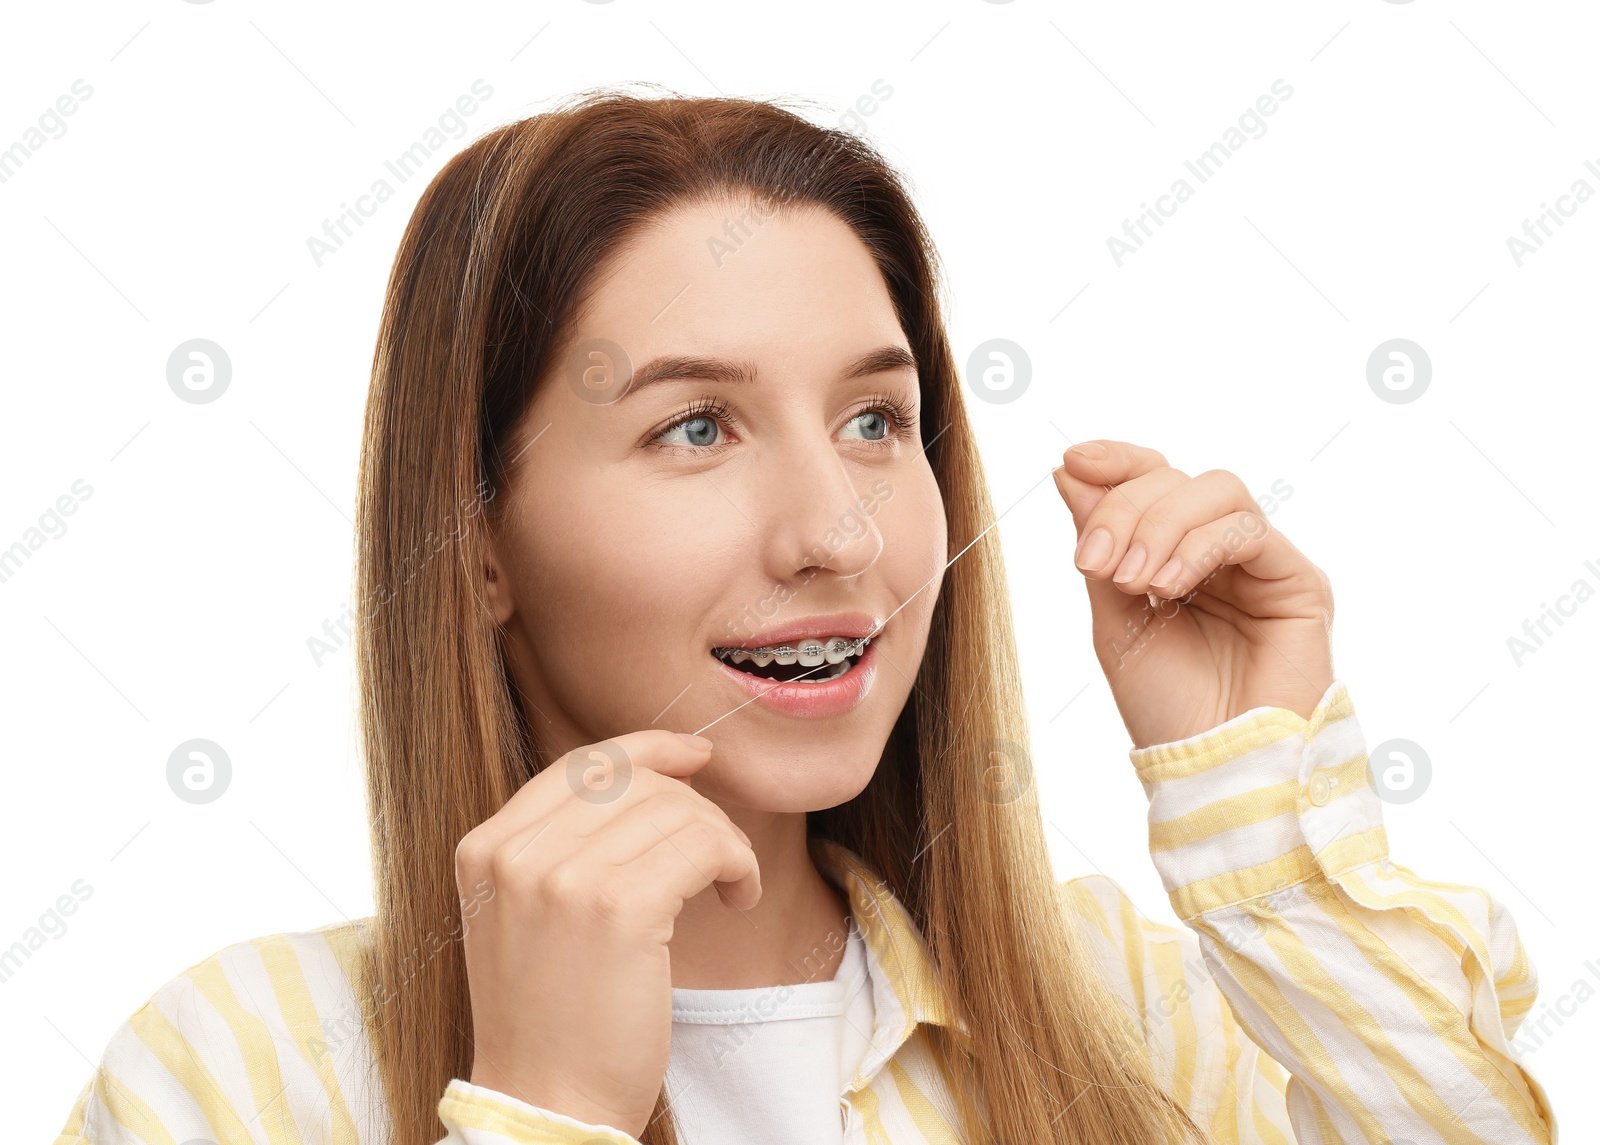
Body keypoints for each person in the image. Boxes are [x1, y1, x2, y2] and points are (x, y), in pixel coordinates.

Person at [54, 86, 1557, 1145]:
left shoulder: (1140, 1020)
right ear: (479, 544)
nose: (839, 534)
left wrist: (1252, 805)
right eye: (695, 428)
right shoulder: (234, 1072)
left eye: (876, 420)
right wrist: (544, 1108)